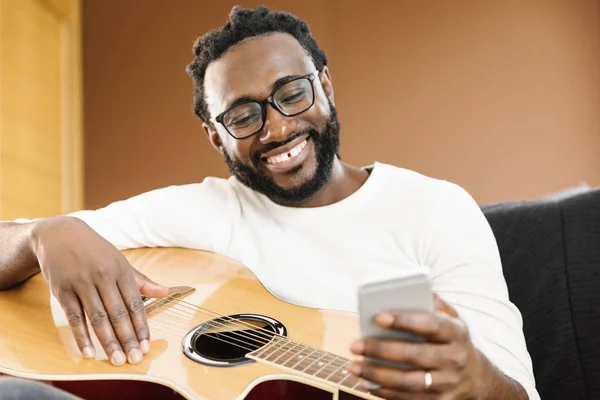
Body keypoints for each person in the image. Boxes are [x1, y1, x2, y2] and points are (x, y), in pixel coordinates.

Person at [0, 6, 539, 400]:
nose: (278, 127)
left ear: (326, 85)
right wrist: (42, 234)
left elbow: (519, 394)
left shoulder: (435, 210)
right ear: (216, 137)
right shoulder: (197, 213)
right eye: (242, 116)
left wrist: (477, 382)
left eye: (293, 93)